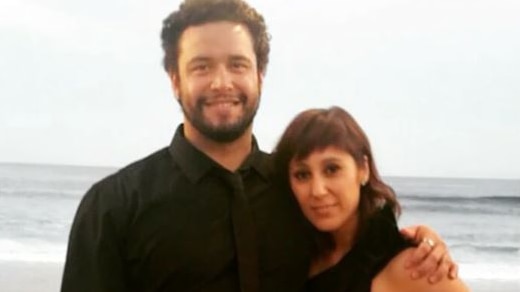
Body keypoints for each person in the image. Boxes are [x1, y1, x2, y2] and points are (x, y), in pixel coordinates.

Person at [61, 0, 457, 291]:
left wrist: (421, 244)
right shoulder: (114, 207)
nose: (222, 83)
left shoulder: (297, 190)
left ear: (260, 75)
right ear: (175, 80)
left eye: (237, 64)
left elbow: (359, 252)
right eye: (201, 67)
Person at [272, 106, 469, 292]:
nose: (317, 190)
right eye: (302, 175)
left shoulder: (412, 265)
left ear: (363, 169)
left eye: (332, 169)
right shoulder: (297, 256)